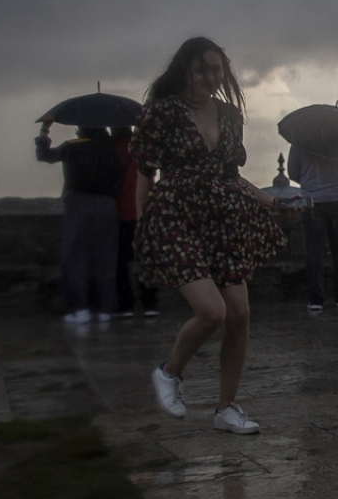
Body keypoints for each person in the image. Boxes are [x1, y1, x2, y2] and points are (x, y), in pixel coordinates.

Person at [132, 36, 287, 435]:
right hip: (176, 217)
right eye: (203, 68)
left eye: (217, 69)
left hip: (225, 220)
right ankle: (169, 372)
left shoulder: (229, 114)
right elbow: (145, 172)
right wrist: (142, 224)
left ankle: (226, 408)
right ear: (186, 69)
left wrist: (266, 200)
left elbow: (230, 174)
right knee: (212, 312)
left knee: (239, 314)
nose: (211, 76)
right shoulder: (163, 112)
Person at [35, 122, 123, 324]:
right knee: (105, 259)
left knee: (75, 258)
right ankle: (103, 310)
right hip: (108, 205)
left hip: (79, 203)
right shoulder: (110, 147)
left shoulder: (72, 146)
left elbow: (44, 156)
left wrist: (44, 130)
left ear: (82, 129)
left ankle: (80, 308)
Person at [286, 144, 338, 312]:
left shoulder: (299, 141)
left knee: (314, 251)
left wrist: (312, 180)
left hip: (313, 201)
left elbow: (293, 173)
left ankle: (316, 300)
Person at [111, 127, 159, 317]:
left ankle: (125, 305)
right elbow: (149, 180)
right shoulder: (141, 147)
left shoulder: (109, 147)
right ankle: (150, 303)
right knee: (145, 260)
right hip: (141, 213)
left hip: (120, 213)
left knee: (121, 263)